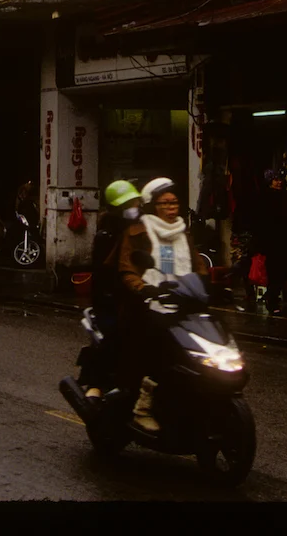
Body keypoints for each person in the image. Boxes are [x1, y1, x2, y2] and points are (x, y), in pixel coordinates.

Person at [117, 178, 210, 432]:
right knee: (158, 352)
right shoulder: (138, 233)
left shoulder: (183, 232)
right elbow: (127, 270)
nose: (172, 207)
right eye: (165, 203)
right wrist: (143, 288)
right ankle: (142, 408)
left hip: (184, 301)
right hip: (149, 305)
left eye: (174, 202)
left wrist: (207, 283)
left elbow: (197, 263)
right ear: (153, 206)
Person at [80, 180, 141, 399]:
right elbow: (106, 273)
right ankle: (96, 383)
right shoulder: (107, 236)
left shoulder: (141, 230)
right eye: (130, 204)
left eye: (136, 202)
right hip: (111, 299)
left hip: (138, 294)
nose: (134, 207)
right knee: (115, 333)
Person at [254, 169, 287, 314]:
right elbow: (259, 222)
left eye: (279, 179)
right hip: (271, 241)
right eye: (275, 179)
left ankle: (273, 297)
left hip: (285, 239)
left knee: (282, 272)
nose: (279, 182)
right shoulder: (263, 198)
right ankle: (272, 300)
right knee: (274, 271)